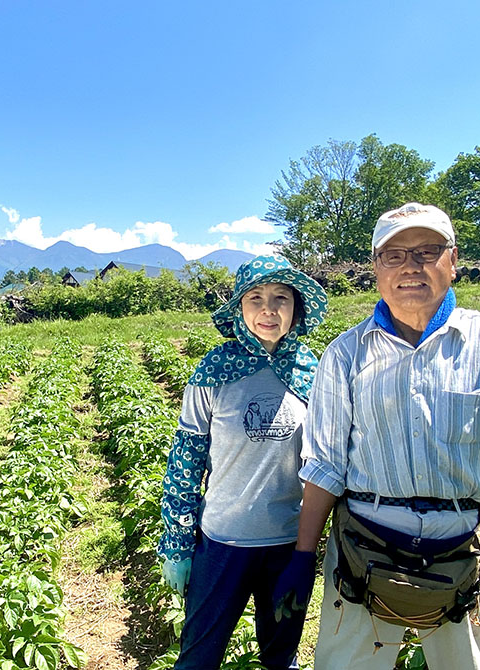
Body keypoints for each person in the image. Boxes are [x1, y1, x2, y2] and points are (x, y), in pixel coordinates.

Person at [271, 202, 480, 669]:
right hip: (364, 545)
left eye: (427, 251)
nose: (411, 266)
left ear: (453, 261)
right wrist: (303, 556)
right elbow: (324, 464)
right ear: (377, 268)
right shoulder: (345, 355)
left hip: (460, 546)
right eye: (394, 255)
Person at [158, 254, 328, 670]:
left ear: (297, 308)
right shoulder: (214, 371)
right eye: (256, 298)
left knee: (280, 657)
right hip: (221, 543)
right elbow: (186, 459)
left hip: (287, 546)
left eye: (281, 298)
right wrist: (177, 544)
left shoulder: (312, 371)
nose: (268, 309)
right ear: (239, 308)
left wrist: (311, 552)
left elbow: (327, 461)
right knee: (198, 658)